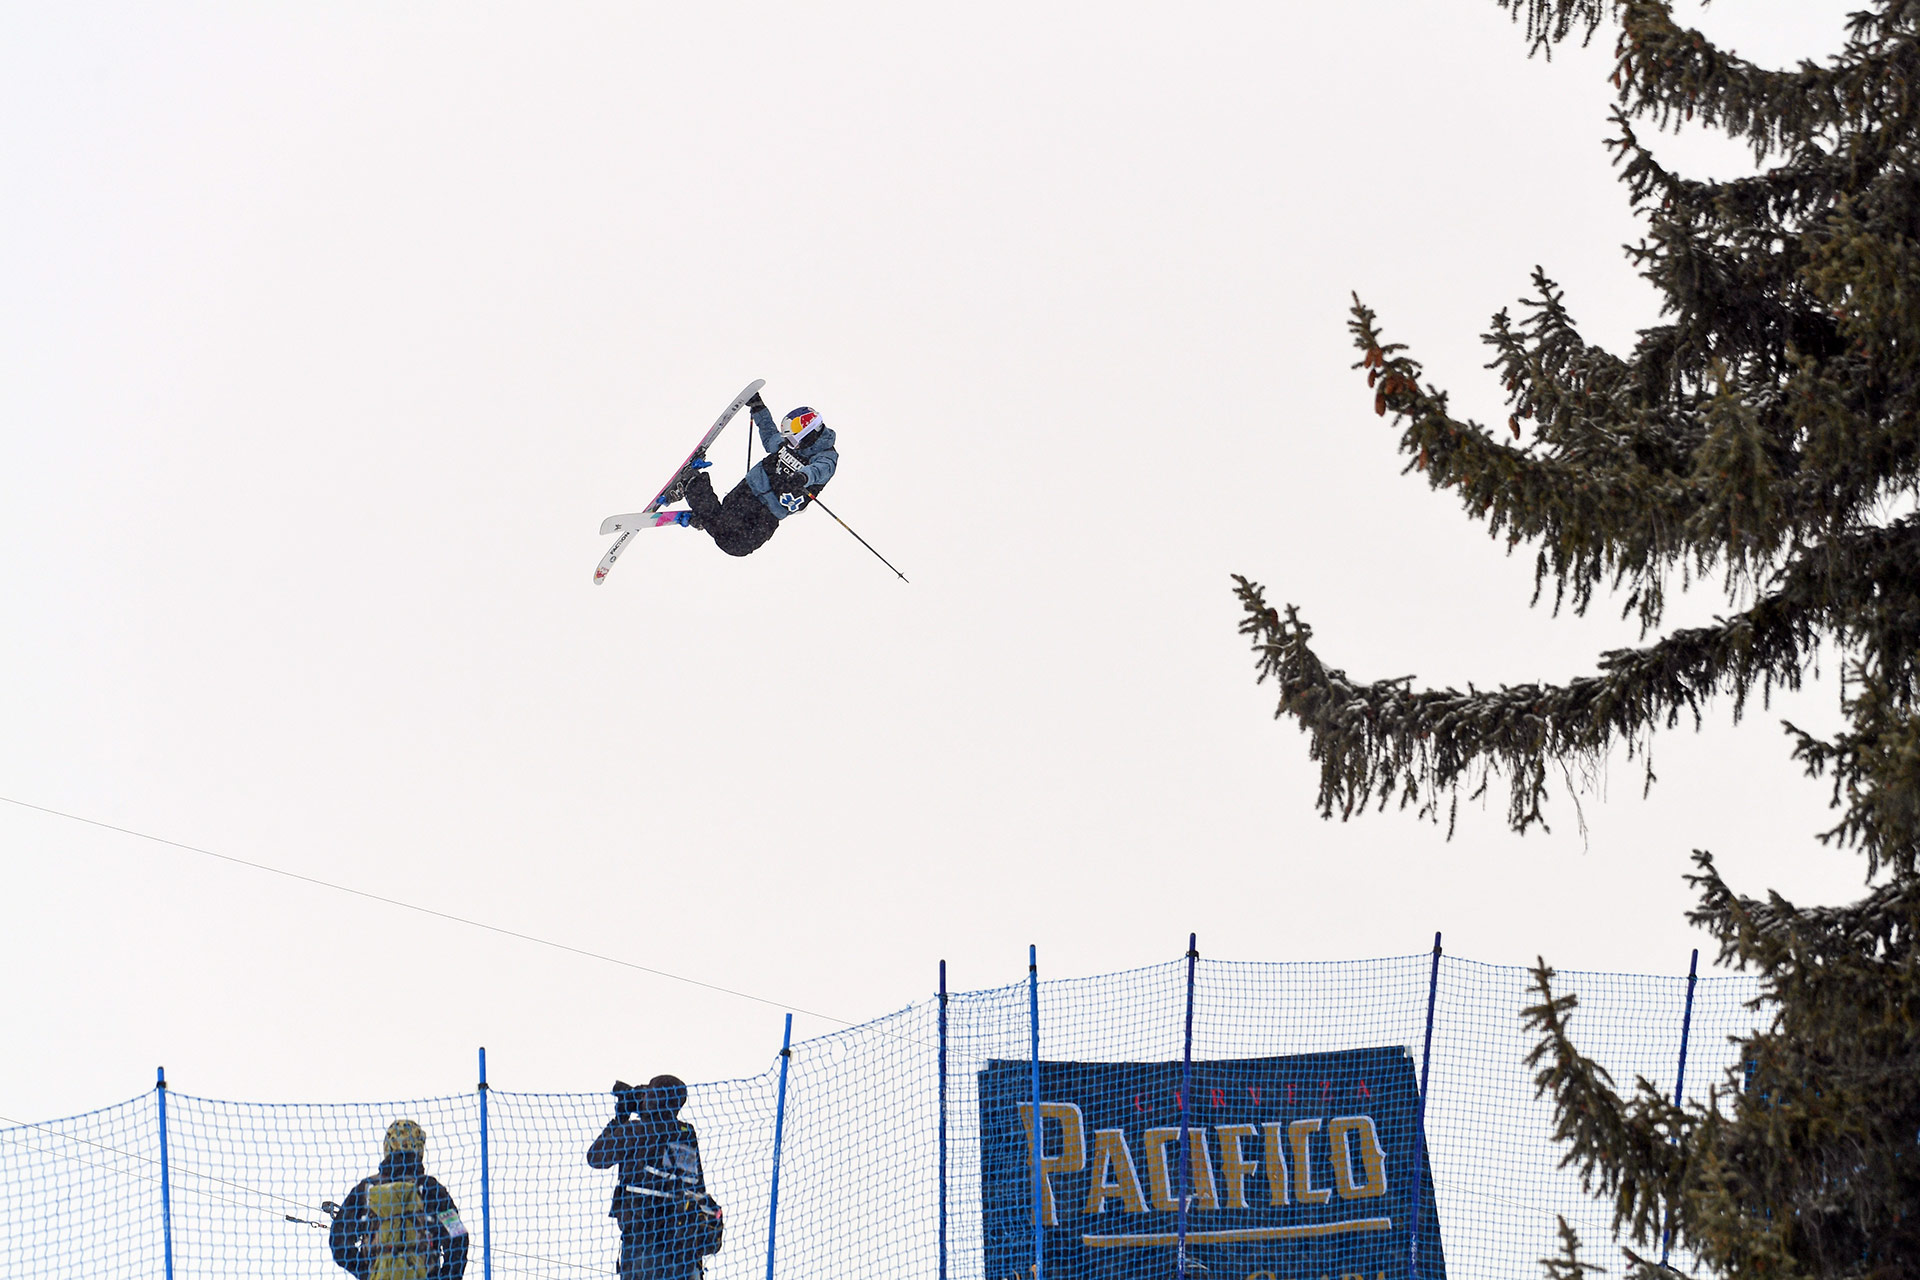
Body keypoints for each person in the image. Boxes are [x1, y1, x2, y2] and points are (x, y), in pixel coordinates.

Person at [673, 393, 837, 557]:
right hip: (749, 492)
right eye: (787, 440)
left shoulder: (827, 457)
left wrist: (802, 477)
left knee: (738, 547)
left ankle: (705, 512)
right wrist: (758, 408)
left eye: (793, 441)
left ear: (811, 434)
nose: (789, 445)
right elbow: (769, 436)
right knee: (727, 537)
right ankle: (693, 484)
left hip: (771, 513)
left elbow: (820, 470)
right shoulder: (790, 444)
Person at [587, 1074, 713, 1280]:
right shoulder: (686, 1134)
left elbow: (595, 1157)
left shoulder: (634, 1132)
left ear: (652, 1099)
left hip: (642, 1244)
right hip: (683, 1248)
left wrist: (620, 1118)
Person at [328, 1118, 468, 1280]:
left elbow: (338, 1242)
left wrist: (367, 1273)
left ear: (387, 1147)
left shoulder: (366, 1189)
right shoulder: (431, 1189)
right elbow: (458, 1237)